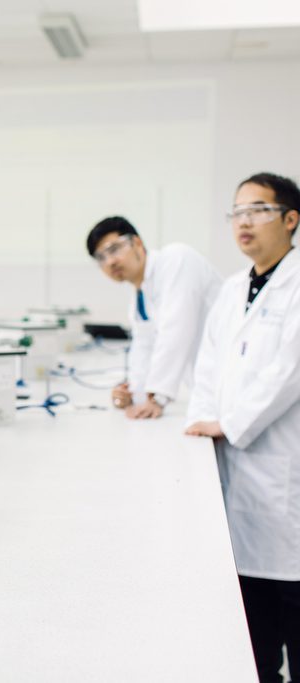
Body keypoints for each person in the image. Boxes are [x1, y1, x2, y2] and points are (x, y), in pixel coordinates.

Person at [185, 172, 300, 683]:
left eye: (257, 210)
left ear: (291, 220)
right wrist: (201, 421)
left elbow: (287, 372)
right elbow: (207, 367)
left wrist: (227, 424)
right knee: (252, 638)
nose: (244, 222)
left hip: (284, 473)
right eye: (236, 213)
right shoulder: (233, 289)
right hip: (237, 477)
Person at [85, 216, 221, 419]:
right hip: (208, 393)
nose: (110, 261)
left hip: (229, 385)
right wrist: (133, 392)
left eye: (114, 249)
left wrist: (157, 398)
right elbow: (144, 347)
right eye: (101, 258)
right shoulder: (139, 298)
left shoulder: (176, 259)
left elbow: (176, 331)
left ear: (137, 243)